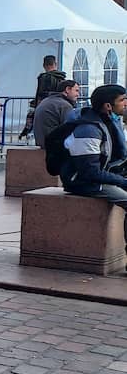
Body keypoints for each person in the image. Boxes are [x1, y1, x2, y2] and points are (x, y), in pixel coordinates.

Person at [56, 84, 127, 260]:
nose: (125, 103)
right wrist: (121, 181)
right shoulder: (89, 129)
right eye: (122, 100)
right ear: (108, 106)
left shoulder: (109, 121)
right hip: (82, 181)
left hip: (99, 175)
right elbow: (89, 172)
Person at [21, 55, 68, 141]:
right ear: (56, 64)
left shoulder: (43, 77)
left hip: (44, 106)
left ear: (44, 65)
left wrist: (38, 107)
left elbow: (41, 94)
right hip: (59, 106)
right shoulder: (62, 77)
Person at [32, 79, 80, 148]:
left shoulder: (46, 101)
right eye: (76, 91)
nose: (78, 94)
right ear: (67, 89)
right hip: (54, 146)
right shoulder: (64, 105)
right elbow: (69, 129)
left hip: (42, 143)